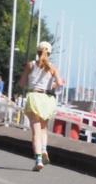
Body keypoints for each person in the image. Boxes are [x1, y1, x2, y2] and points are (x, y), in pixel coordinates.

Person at [18, 41, 65, 171]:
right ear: (49, 53)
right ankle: (44, 150)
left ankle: (38, 159)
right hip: (47, 99)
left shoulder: (31, 65)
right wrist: (52, 85)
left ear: (37, 52)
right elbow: (60, 83)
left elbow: (22, 83)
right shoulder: (53, 67)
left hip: (34, 97)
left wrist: (29, 81)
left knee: (35, 132)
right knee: (44, 129)